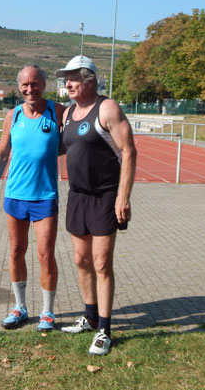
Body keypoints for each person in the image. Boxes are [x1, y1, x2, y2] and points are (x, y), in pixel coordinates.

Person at [55, 56, 137, 355]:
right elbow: (66, 148)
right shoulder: (68, 114)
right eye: (66, 78)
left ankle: (104, 329)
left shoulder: (108, 108)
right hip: (76, 196)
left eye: (73, 78)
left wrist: (123, 195)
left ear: (89, 79)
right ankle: (89, 318)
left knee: (102, 263)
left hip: (105, 196)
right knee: (81, 260)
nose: (68, 83)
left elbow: (128, 151)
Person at [0, 65, 65, 332]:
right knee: (17, 252)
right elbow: (1, 153)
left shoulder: (59, 111)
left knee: (45, 255)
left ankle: (47, 312)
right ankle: (20, 308)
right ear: (19, 86)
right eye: (25, 85)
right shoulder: (13, 115)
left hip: (45, 196)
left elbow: (75, 140)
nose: (30, 89)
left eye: (35, 83)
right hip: (15, 195)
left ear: (44, 84)